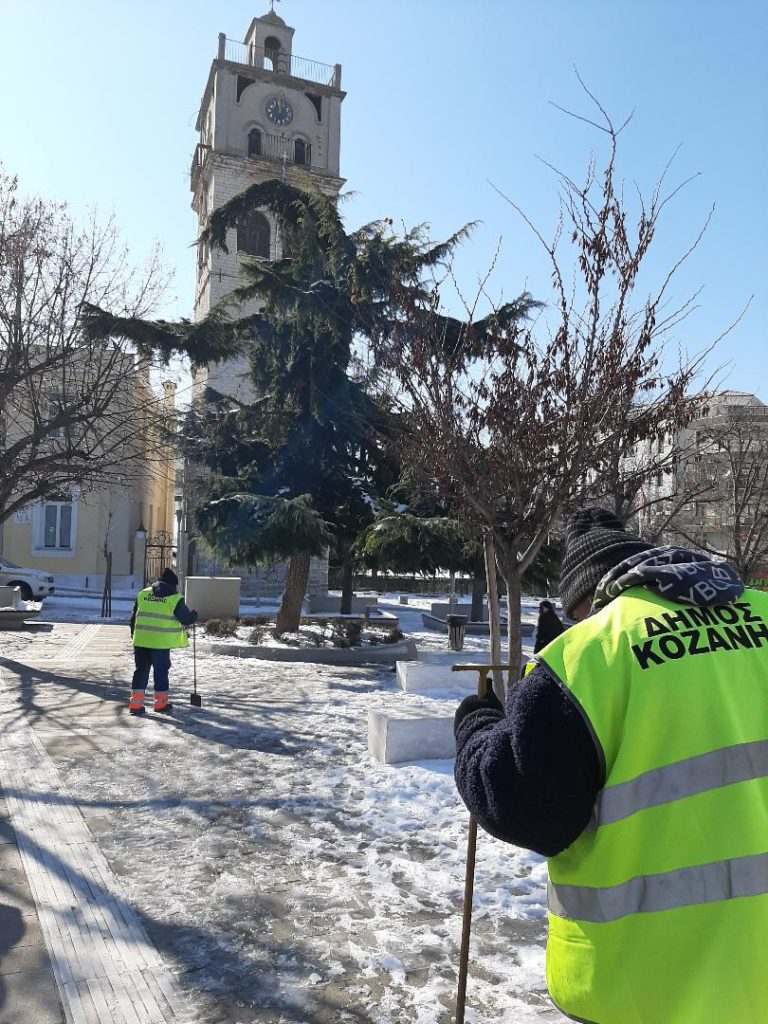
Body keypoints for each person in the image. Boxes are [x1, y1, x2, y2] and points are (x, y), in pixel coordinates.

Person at [453, 507, 768, 1024]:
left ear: (585, 599)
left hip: (646, 988)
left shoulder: (590, 654)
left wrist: (477, 726)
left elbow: (520, 803)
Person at [128, 568, 198, 715]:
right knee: (160, 673)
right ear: (173, 584)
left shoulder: (143, 593)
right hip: (160, 644)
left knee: (141, 671)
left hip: (141, 642)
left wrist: (134, 635)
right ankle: (160, 705)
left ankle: (135, 705)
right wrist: (194, 616)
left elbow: (134, 618)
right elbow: (185, 619)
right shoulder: (175, 598)